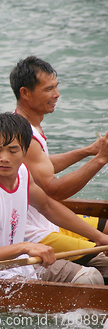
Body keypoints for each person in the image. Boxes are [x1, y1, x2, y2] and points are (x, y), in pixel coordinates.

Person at [0, 112, 106, 284]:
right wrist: (25, 247)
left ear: (25, 150)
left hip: (23, 266)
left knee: (91, 278)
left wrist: (98, 237)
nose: (4, 158)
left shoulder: (23, 173)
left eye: (13, 150)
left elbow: (47, 207)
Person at [11, 56, 108, 267]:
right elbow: (54, 191)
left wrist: (88, 151)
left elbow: (42, 165)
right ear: (25, 93)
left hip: (47, 220)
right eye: (48, 89)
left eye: (56, 87)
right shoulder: (22, 135)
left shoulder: (24, 123)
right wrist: (100, 160)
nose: (57, 94)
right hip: (32, 233)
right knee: (104, 261)